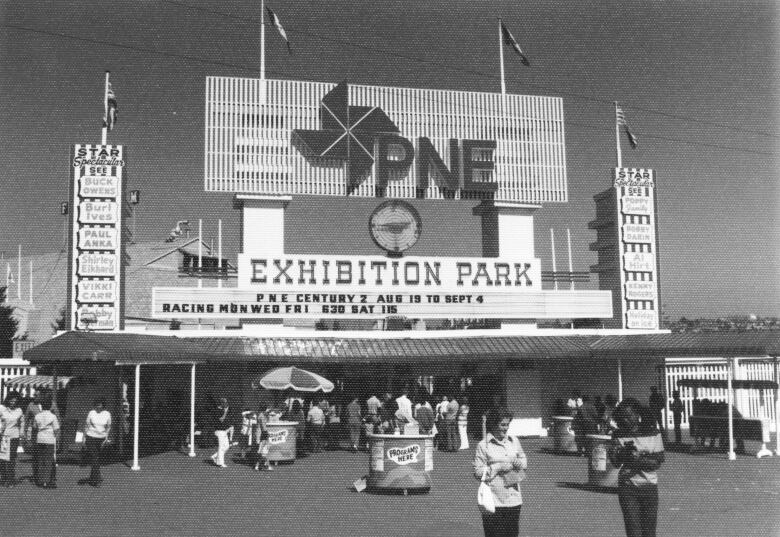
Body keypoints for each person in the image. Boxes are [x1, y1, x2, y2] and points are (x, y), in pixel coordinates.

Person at [608, 398, 665, 537]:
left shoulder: (653, 433)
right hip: (628, 488)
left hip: (649, 487)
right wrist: (617, 453)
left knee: (649, 532)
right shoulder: (618, 434)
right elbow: (616, 463)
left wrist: (638, 458)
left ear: (638, 414)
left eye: (629, 416)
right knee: (633, 530)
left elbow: (657, 462)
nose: (626, 420)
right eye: (623, 417)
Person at [473, 408, 527, 537]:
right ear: (493, 424)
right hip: (494, 501)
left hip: (514, 499)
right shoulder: (483, 445)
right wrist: (498, 467)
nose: (506, 428)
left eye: (507, 424)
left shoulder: (514, 441)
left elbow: (523, 459)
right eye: (502, 424)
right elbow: (477, 472)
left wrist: (520, 463)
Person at [80, 398, 112, 487]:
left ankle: (94, 476)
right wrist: (83, 438)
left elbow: (108, 426)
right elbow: (87, 425)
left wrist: (106, 437)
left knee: (96, 458)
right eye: (97, 405)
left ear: (103, 405)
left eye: (100, 405)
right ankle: (95, 481)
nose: (98, 406)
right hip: (91, 437)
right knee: (95, 458)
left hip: (101, 439)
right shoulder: (91, 413)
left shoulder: (107, 414)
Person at [32, 396, 60, 489]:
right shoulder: (53, 416)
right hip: (49, 439)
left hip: (40, 439)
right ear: (50, 406)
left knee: (41, 460)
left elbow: (35, 427)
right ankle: (47, 481)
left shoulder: (37, 416)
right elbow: (56, 429)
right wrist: (57, 439)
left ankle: (40, 480)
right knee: (48, 461)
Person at [0, 393, 24, 487]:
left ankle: (10, 480)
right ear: (8, 400)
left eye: (15, 401)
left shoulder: (19, 410)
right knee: (2, 459)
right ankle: (3, 478)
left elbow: (22, 422)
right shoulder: (2, 409)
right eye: (11, 401)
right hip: (4, 437)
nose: (13, 403)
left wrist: (22, 432)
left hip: (14, 436)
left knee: (11, 459)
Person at [210, 397, 234, 468]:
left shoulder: (224, 410)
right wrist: (225, 412)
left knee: (226, 446)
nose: (227, 405)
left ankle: (215, 456)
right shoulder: (217, 410)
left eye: (227, 403)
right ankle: (220, 463)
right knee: (221, 447)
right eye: (225, 403)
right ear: (222, 403)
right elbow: (221, 420)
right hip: (219, 431)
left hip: (224, 431)